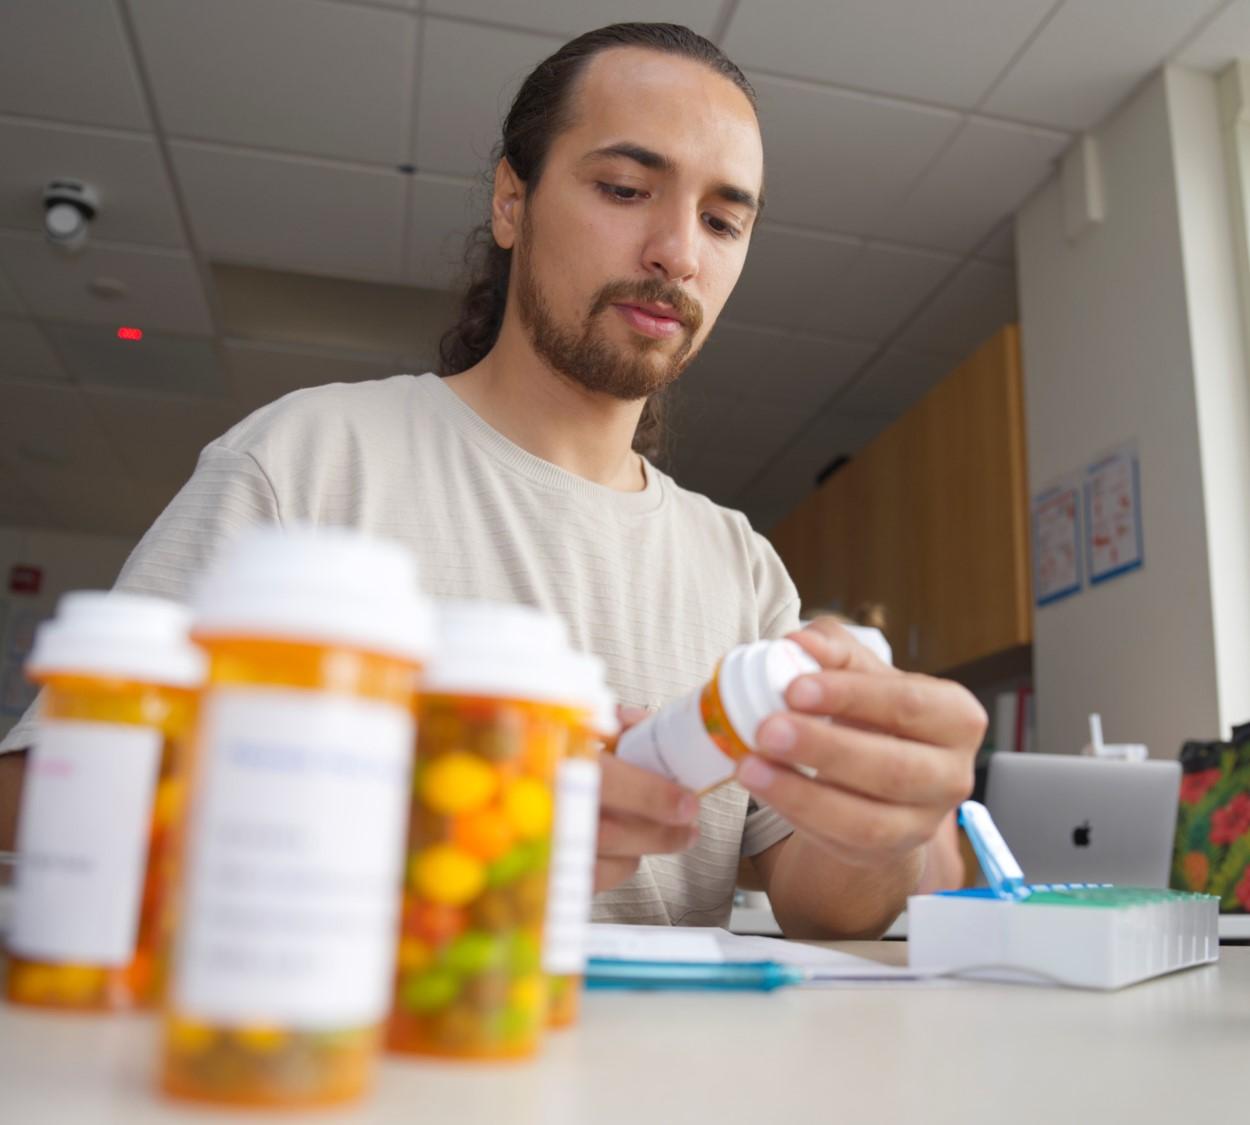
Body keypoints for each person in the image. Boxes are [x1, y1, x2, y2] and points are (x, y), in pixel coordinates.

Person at [0, 23, 984, 937]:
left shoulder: (738, 568)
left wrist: (898, 827)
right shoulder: (308, 460)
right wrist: (443, 820)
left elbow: (821, 902)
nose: (677, 253)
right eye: (623, 189)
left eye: (722, 221)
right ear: (511, 202)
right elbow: (42, 795)